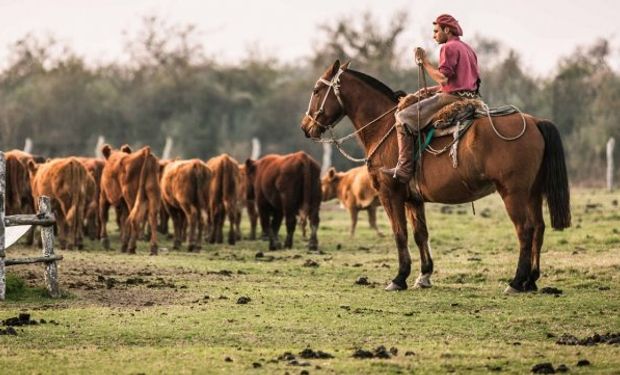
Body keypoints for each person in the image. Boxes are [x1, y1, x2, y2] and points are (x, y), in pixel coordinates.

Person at [381, 14, 480, 183]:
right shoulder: (467, 48)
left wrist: (424, 61)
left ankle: (404, 168)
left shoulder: (448, 47)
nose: (434, 35)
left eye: (436, 31)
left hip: (452, 99)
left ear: (446, 30)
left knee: (403, 117)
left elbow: (443, 79)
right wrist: (428, 91)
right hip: (470, 96)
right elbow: (459, 82)